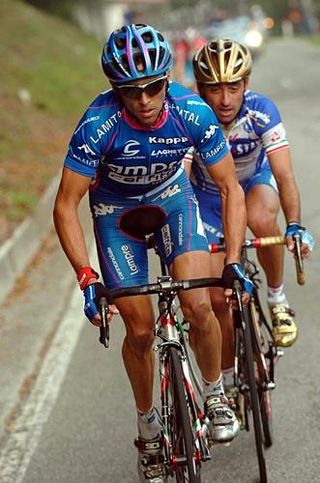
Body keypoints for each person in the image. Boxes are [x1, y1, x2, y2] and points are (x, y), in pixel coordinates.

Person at [53, 25, 252, 483]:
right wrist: (86, 276)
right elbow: (66, 205)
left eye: (153, 87)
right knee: (140, 331)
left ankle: (215, 393)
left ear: (167, 78)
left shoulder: (193, 112)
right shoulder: (97, 125)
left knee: (199, 303)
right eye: (130, 91)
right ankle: (147, 429)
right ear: (114, 89)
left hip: (172, 200)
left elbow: (229, 187)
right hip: (116, 213)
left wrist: (234, 259)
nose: (143, 100)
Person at [190, 38, 314, 388]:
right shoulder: (190, 116)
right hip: (208, 197)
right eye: (214, 89)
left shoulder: (262, 111)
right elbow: (182, 183)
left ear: (246, 83)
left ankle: (277, 300)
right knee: (219, 301)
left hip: (253, 183)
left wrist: (293, 225)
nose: (225, 99)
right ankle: (227, 380)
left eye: (233, 86)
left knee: (261, 219)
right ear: (201, 89)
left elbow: (285, 174)